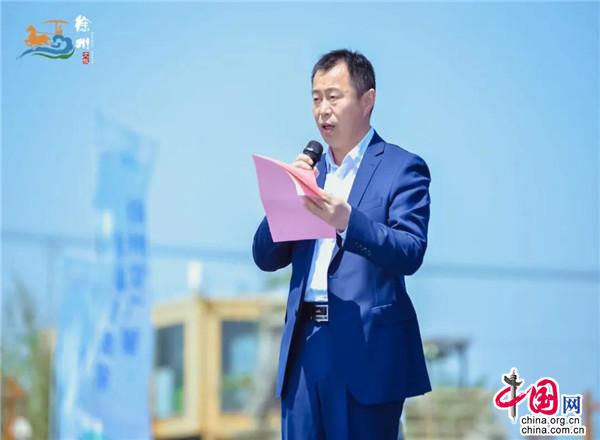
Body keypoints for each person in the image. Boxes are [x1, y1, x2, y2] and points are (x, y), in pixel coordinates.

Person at [252, 49, 432, 439]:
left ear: (367, 100)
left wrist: (349, 222)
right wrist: (286, 196)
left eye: (334, 97)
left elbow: (410, 250)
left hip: (368, 348)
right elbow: (265, 257)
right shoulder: (310, 172)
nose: (323, 110)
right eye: (316, 98)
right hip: (305, 345)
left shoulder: (402, 168)